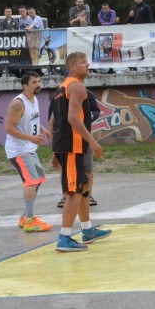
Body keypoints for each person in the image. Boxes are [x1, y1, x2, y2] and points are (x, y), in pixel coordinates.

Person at [51, 52, 111, 251]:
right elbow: (72, 119)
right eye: (83, 62)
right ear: (72, 67)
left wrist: (54, 150)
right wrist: (93, 142)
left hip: (66, 145)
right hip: (72, 146)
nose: (88, 65)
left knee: (83, 187)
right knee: (73, 192)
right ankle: (64, 238)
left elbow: (54, 122)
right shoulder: (76, 86)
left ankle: (87, 230)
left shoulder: (61, 89)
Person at [4, 71, 53, 232]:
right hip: (18, 150)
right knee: (31, 181)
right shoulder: (18, 103)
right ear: (25, 86)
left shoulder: (35, 99)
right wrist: (30, 138)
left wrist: (42, 129)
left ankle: (26, 216)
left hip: (29, 148)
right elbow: (9, 128)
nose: (38, 84)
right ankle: (29, 220)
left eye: (39, 81)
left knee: (37, 179)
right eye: (34, 82)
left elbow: (30, 120)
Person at [54, 88, 101, 209]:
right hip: (66, 139)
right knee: (66, 169)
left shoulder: (86, 93)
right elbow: (53, 117)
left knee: (88, 168)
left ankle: (89, 195)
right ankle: (65, 196)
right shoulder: (59, 95)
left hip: (83, 137)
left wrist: (89, 117)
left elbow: (96, 110)